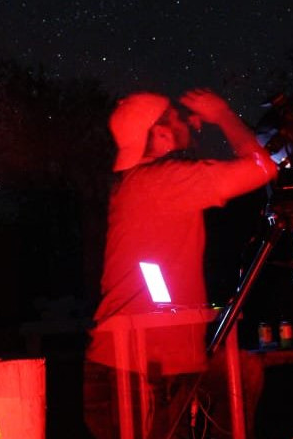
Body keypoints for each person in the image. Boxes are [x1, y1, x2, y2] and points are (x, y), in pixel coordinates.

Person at [83, 88, 277, 438]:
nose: (188, 118)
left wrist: (193, 134)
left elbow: (198, 173)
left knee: (244, 371)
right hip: (141, 373)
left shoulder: (145, 184)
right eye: (176, 115)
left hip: (140, 363)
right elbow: (261, 169)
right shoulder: (164, 183)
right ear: (160, 133)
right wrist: (222, 115)